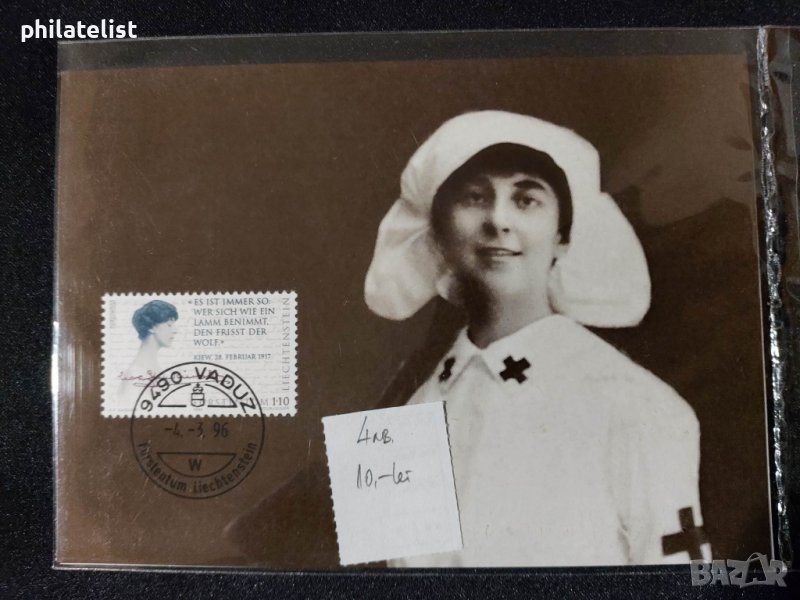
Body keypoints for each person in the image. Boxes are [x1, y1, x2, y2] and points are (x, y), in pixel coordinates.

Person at [364, 110, 711, 567]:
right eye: (474, 197)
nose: (498, 220)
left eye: (526, 199)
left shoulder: (637, 406)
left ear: (563, 236)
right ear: (440, 236)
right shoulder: (403, 418)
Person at [117, 300, 178, 403]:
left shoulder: (151, 366)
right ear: (152, 327)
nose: (175, 330)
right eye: (169, 325)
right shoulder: (136, 374)